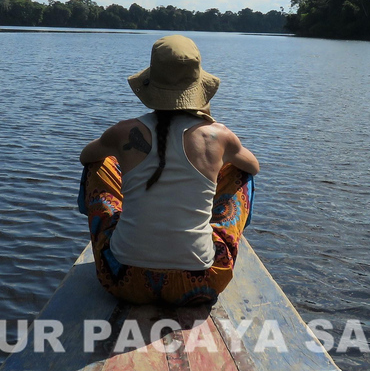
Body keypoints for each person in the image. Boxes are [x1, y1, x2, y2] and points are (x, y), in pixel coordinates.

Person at [78, 34, 260, 306]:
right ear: (198, 88)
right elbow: (254, 167)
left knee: (101, 163)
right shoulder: (218, 135)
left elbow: (85, 157)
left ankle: (136, 226)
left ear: (152, 83)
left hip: (122, 280)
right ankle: (201, 227)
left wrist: (121, 154)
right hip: (201, 283)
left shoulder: (123, 131)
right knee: (240, 171)